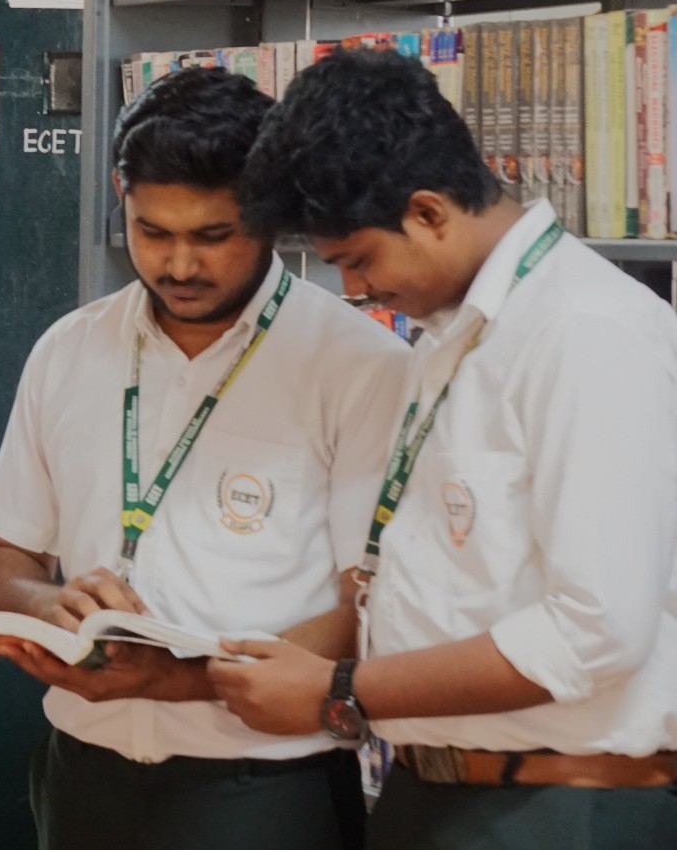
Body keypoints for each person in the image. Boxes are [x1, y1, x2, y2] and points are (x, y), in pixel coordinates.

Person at [210, 48, 677, 849]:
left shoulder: (582, 334)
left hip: (554, 805)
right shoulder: (452, 335)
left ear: (428, 212)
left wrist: (343, 688)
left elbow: (594, 632)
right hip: (441, 788)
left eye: (358, 260)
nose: (354, 291)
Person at [0, 66, 410, 849]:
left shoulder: (359, 366)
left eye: (212, 236)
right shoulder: (69, 349)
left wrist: (183, 679)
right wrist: (46, 606)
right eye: (152, 232)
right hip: (81, 773)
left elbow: (371, 609)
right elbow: (3, 551)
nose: (178, 265)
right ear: (121, 195)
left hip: (264, 785)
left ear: (270, 215)